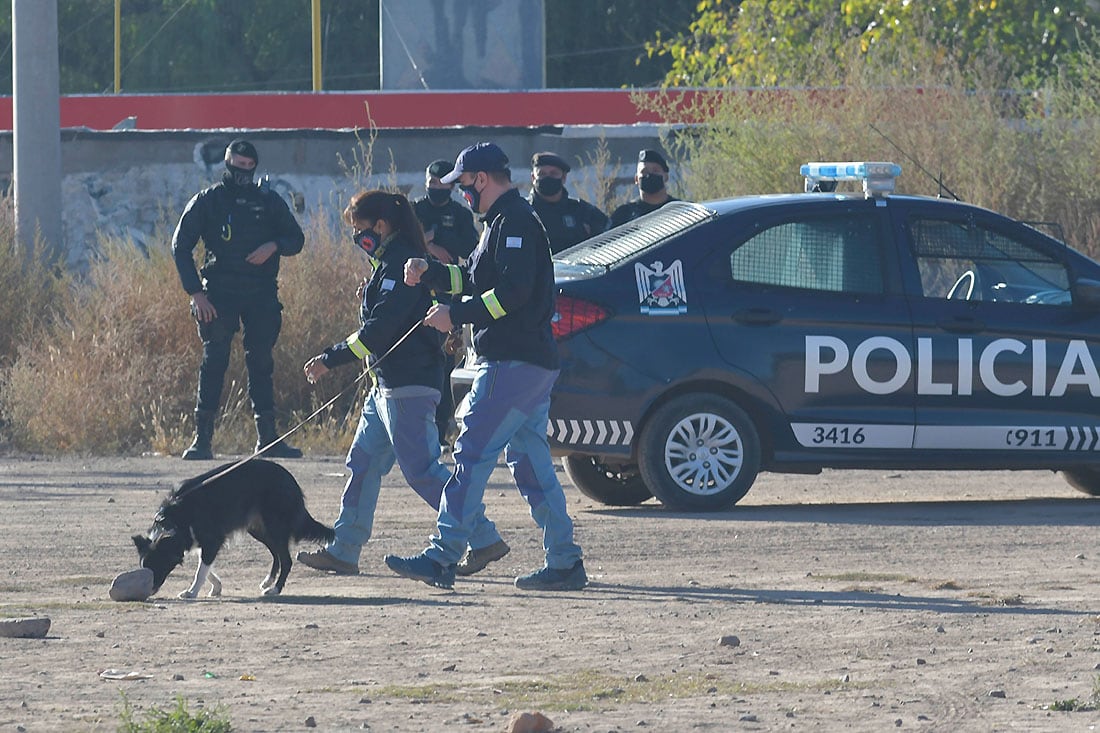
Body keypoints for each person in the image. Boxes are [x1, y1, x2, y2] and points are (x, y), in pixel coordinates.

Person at [386, 142, 587, 592]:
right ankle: (565, 561)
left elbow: (511, 294)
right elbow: (475, 280)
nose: (460, 194)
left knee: (472, 452)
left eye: (463, 185)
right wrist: (433, 272)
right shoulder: (500, 222)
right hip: (526, 363)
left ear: (481, 179)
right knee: (531, 462)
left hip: (513, 363)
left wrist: (453, 316)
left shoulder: (513, 222)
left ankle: (442, 556)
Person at [297, 190, 509, 577]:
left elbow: (379, 330)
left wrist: (331, 360)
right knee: (363, 463)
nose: (357, 237)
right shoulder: (388, 264)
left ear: (381, 226)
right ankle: (344, 549)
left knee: (423, 471)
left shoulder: (399, 264)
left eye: (360, 228)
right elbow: (382, 315)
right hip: (385, 386)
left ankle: (483, 537)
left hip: (408, 385)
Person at [173, 139, 304, 460]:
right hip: (218, 294)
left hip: (260, 292)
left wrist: (273, 245)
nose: (243, 173)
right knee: (214, 362)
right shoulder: (209, 201)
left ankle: (268, 440)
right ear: (227, 165)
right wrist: (196, 294)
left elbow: (296, 239)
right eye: (237, 166)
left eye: (249, 167)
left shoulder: (268, 200)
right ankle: (202, 441)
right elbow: (180, 247)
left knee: (261, 362)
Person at [412, 159, 481, 448]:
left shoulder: (460, 215)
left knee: (443, 362)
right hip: (416, 295)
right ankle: (418, 431)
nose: (435, 190)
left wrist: (436, 240)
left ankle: (440, 431)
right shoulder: (415, 210)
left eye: (441, 185)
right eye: (431, 185)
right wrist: (428, 247)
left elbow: (470, 250)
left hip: (447, 295)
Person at [526, 151, 608, 254]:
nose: (548, 178)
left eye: (553, 173)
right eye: (542, 174)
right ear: (533, 178)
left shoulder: (583, 212)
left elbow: (610, 241)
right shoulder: (523, 213)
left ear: (563, 178)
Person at [608, 149, 679, 228]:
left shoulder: (682, 210)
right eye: (644, 172)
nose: (649, 175)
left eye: (655, 170)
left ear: (666, 177)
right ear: (636, 179)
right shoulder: (624, 215)